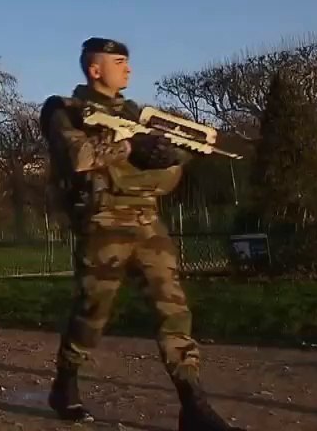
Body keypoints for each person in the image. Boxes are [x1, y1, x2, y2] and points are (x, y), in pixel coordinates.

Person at [40, 38, 242, 430]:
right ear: (95, 69)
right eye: (119, 62)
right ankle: (65, 382)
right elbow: (78, 158)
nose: (128, 69)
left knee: (173, 307)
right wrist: (130, 146)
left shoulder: (140, 114)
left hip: (147, 221)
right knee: (91, 315)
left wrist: (170, 155)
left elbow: (165, 175)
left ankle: (192, 402)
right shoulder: (65, 110)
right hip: (102, 224)